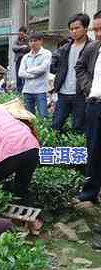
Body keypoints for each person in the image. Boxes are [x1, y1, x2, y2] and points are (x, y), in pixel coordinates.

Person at [74, 10, 101, 208]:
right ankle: (90, 192)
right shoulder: (93, 48)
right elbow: (79, 67)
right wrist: (88, 87)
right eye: (96, 29)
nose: (98, 34)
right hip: (95, 105)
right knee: (94, 149)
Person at [51, 13, 91, 134]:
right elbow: (54, 66)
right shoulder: (65, 48)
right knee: (56, 125)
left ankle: (75, 150)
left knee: (78, 127)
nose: (73, 31)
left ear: (86, 28)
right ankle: (55, 150)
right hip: (63, 92)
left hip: (80, 93)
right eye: (71, 29)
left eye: (77, 28)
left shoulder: (92, 47)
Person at [18, 32, 52, 119]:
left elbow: (43, 69)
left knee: (43, 116)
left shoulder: (46, 53)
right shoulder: (26, 57)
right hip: (27, 90)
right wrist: (33, 74)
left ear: (41, 41)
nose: (32, 43)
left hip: (41, 90)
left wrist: (28, 71)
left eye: (35, 41)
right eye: (30, 41)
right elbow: (20, 73)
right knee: (29, 118)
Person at [12, 26, 31, 93]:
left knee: (26, 76)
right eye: (19, 33)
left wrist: (19, 49)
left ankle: (26, 91)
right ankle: (19, 91)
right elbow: (14, 48)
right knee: (18, 76)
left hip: (27, 61)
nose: (20, 35)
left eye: (22, 33)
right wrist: (22, 47)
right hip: (18, 60)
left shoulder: (28, 40)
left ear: (25, 33)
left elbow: (29, 48)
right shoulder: (16, 40)